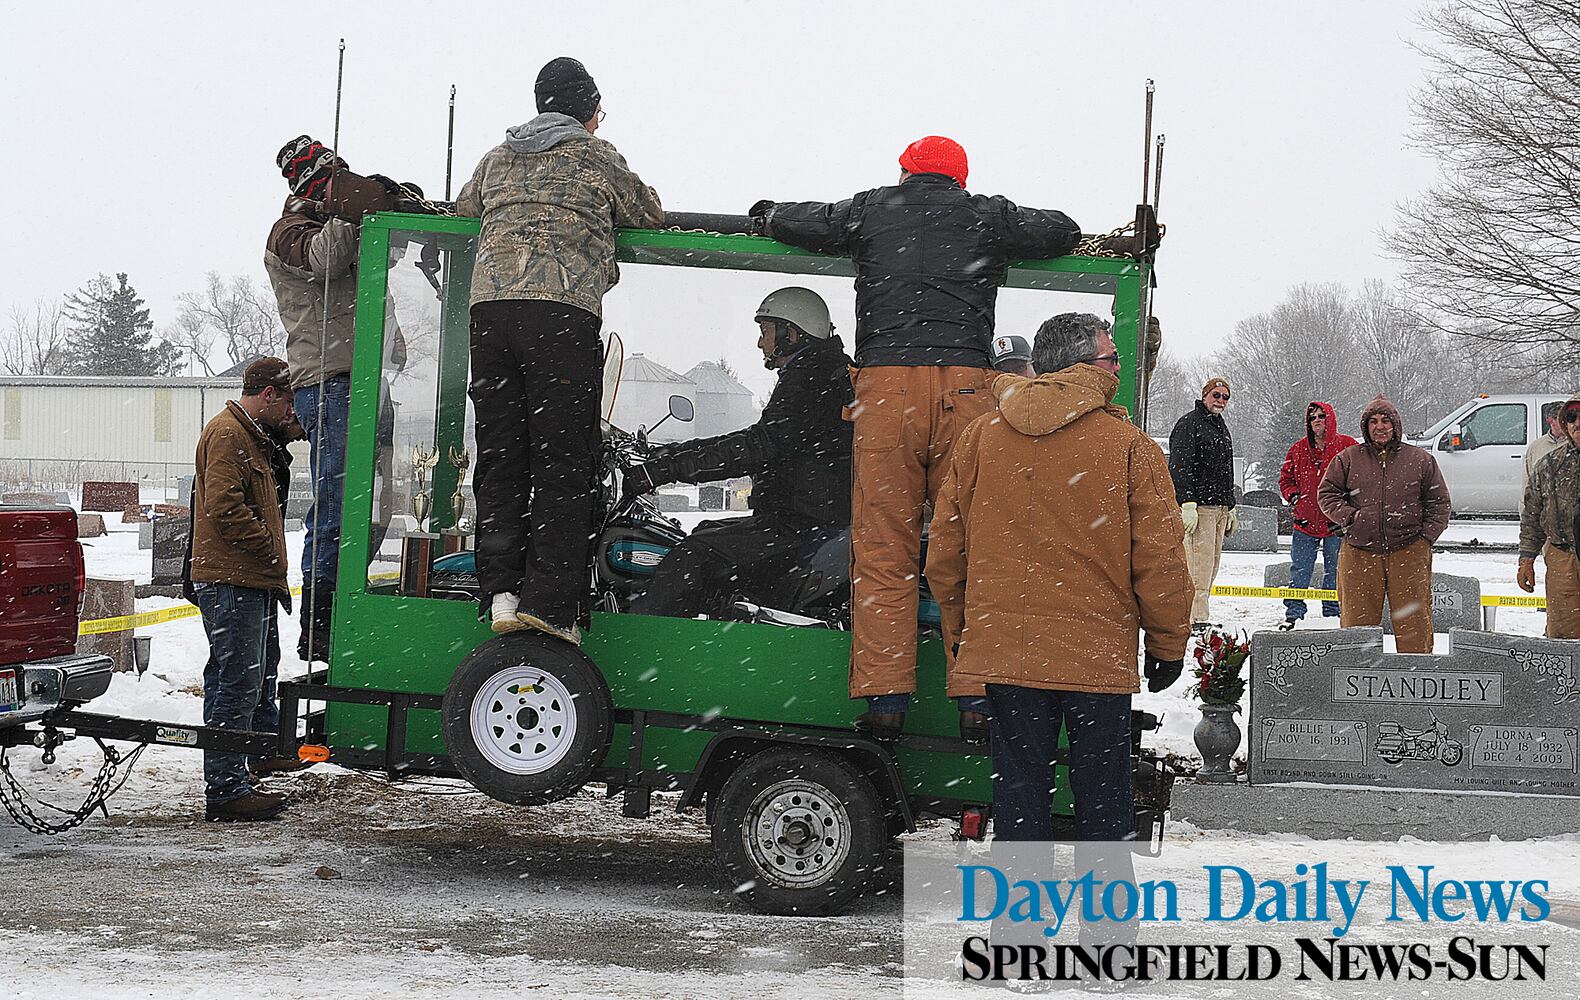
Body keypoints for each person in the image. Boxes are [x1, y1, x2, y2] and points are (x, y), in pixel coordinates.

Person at [750, 135, 1083, 737]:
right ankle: (976, 697)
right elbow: (1062, 230)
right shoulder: (985, 215)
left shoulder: (874, 209)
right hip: (965, 392)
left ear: (904, 173)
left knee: (883, 549)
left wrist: (769, 213)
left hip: (886, 393)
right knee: (970, 550)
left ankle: (885, 699)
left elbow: (808, 221)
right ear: (961, 179)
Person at [926, 312, 1190, 833]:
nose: (1117, 367)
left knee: (1019, 798)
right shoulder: (1128, 447)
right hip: (1094, 659)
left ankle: (1020, 917)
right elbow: (1160, 559)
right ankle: (1107, 915)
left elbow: (947, 556)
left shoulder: (982, 437)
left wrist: (966, 638)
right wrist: (1167, 645)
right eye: (1111, 357)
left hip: (1007, 654)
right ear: (1082, 366)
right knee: (1103, 800)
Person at [458, 56, 663, 643]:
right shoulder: (596, 155)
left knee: (501, 456)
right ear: (589, 109)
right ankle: (551, 603)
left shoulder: (498, 157)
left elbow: (468, 206)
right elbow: (649, 211)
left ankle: (499, 591)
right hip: (561, 315)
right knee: (565, 462)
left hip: (490, 315)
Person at [624, 288, 852, 618]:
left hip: (801, 526)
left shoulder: (811, 377)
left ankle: (649, 651)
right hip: (803, 520)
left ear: (791, 333)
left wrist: (661, 472)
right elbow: (756, 440)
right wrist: (667, 454)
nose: (761, 343)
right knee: (703, 533)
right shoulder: (820, 371)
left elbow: (756, 447)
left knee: (692, 558)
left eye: (765, 332)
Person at [265, 135, 404, 663]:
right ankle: (322, 624)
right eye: (327, 177)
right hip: (329, 383)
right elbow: (325, 261)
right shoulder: (290, 231)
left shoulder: (340, 216)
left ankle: (352, 598)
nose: (338, 183)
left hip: (370, 375)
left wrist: (388, 199)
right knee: (337, 507)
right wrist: (350, 211)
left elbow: (390, 245)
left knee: (377, 503)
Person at [187, 358, 297, 821]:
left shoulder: (251, 436)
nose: (294, 411)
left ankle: (243, 765)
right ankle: (227, 789)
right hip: (234, 579)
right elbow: (224, 507)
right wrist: (270, 550)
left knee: (251, 674)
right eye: (290, 401)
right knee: (237, 681)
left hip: (246, 579)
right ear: (269, 394)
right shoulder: (229, 435)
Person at [1317, 395, 1453, 653]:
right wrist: (1351, 518)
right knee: (1357, 629)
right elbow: (1327, 494)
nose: (1380, 426)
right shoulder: (1348, 458)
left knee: (1414, 626)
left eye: (1386, 420)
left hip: (1409, 551)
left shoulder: (1420, 460)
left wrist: (1425, 539)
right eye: (1374, 421)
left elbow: (1439, 502)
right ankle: (1357, 680)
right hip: (1359, 552)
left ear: (1396, 425)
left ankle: (1416, 677)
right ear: (1365, 426)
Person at [1277, 401, 1358, 629]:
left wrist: (1348, 507)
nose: (1317, 421)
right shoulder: (1298, 449)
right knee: (1300, 570)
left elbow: (1360, 478)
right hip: (1305, 523)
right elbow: (1286, 479)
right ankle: (1294, 614)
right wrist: (1294, 497)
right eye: (1312, 417)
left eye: (1321, 416)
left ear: (1330, 418)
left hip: (1336, 524)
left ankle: (1332, 613)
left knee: (1336, 570)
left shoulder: (1347, 446)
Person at [1169, 377, 1238, 628]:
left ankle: (1198, 615)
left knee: (1212, 566)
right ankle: (1195, 619)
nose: (1220, 400)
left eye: (1225, 397)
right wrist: (1187, 502)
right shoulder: (1189, 424)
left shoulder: (1220, 426)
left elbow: (1225, 469)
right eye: (1216, 395)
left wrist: (1230, 505)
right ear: (1205, 395)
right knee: (1199, 565)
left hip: (1218, 507)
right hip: (1200, 507)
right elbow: (1180, 465)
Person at [1518, 396, 1580, 638]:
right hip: (1563, 558)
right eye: (1571, 417)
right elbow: (1532, 515)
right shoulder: (1550, 465)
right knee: (1563, 635)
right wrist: (1526, 559)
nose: (1577, 423)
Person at [1523, 400, 1568, 510]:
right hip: (1545, 514)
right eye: (1561, 418)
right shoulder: (1536, 447)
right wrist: (1525, 511)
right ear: (1550, 420)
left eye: (1567, 418)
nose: (1566, 422)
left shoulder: (1575, 444)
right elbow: (1527, 483)